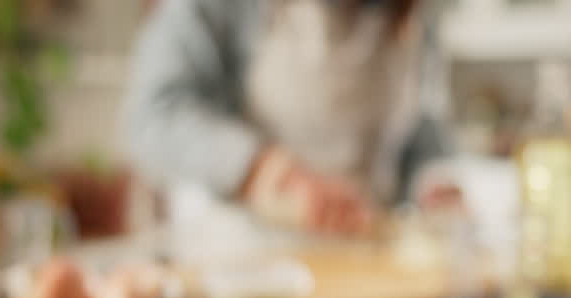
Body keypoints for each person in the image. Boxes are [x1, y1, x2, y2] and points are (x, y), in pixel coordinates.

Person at [123, 0, 456, 237]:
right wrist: (264, 170)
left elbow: (421, 132)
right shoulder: (218, 8)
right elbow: (154, 116)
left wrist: (431, 183)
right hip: (246, 262)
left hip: (372, 259)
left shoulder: (412, 16)